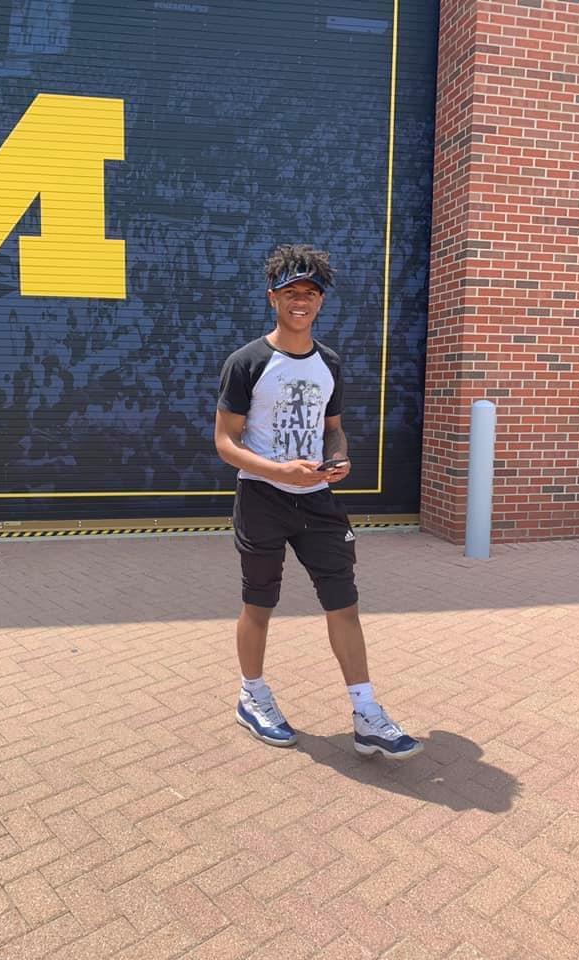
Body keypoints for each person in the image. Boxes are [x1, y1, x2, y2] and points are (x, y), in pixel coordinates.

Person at [214, 244, 422, 760]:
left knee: (343, 602)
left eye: (310, 292)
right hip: (261, 497)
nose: (300, 300)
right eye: (291, 292)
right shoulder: (247, 362)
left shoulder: (329, 362)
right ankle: (252, 695)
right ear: (273, 298)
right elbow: (225, 442)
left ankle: (367, 714)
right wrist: (277, 470)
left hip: (317, 501)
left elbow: (333, 429)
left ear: (321, 301)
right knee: (258, 603)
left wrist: (340, 456)